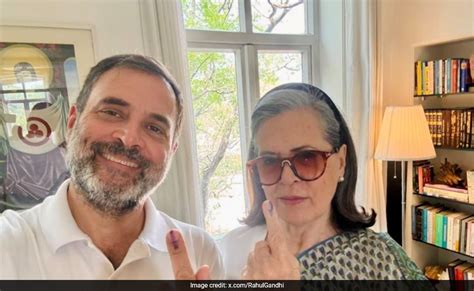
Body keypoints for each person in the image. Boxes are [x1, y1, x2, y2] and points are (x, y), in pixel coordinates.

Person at [0, 54, 223, 279]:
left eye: (154, 128)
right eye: (112, 113)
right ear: (72, 122)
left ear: (171, 150)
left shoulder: (200, 251)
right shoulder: (7, 245)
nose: (129, 138)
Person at [219, 83, 426, 280]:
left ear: (342, 162)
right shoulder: (230, 252)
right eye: (270, 162)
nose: (287, 178)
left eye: (307, 158)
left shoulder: (382, 260)